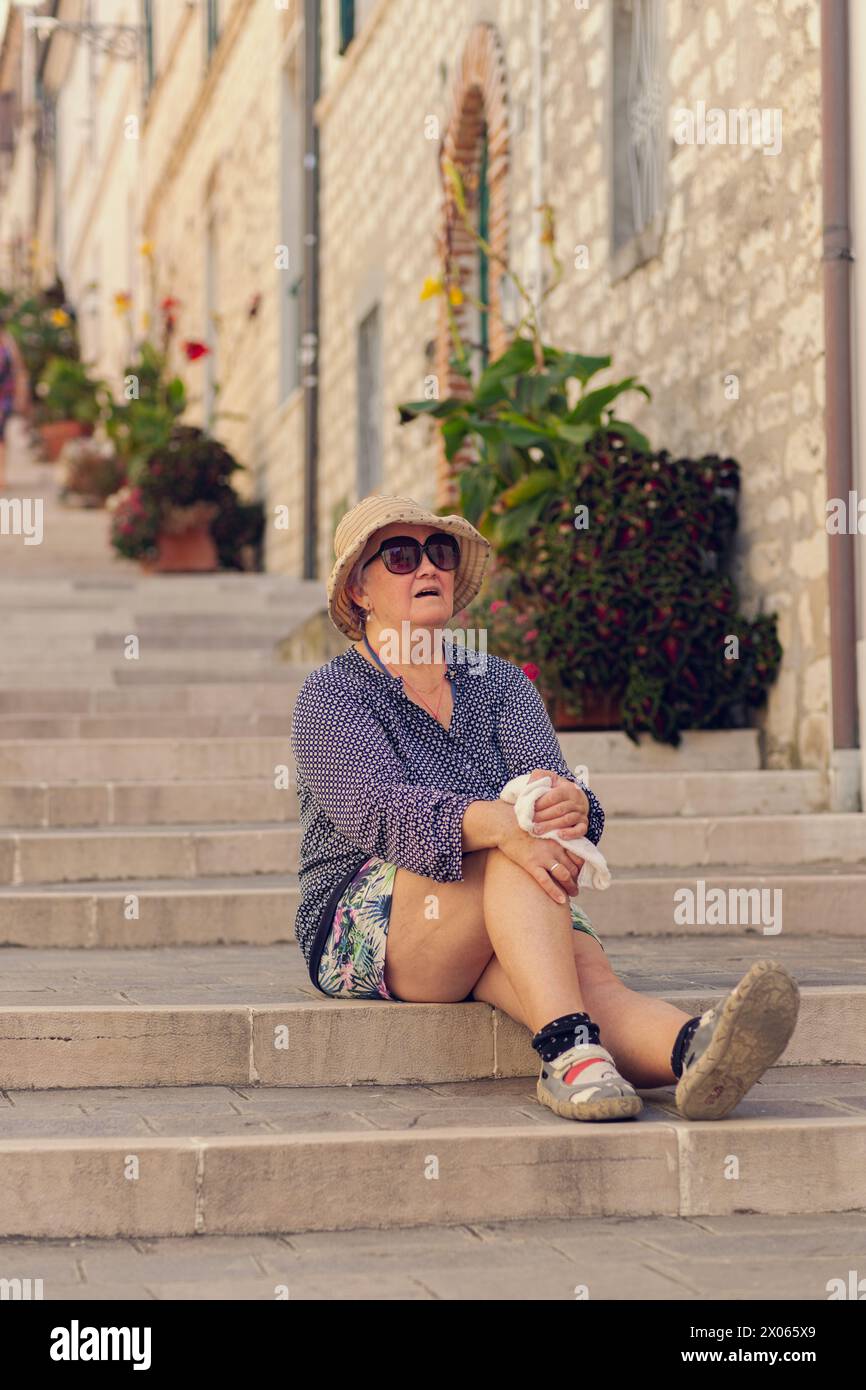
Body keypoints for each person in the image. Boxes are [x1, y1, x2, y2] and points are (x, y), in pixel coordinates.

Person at [291, 494, 800, 1123]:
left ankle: (692, 1049)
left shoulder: (501, 684)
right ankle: (568, 1054)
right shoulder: (332, 694)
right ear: (359, 591)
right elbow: (380, 813)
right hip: (372, 919)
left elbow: (554, 789)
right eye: (400, 555)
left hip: (506, 899)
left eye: (439, 552)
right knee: (514, 849)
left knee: (590, 986)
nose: (427, 568)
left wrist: (574, 807)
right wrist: (505, 824)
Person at [0, 311, 30, 489]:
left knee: (1, 436)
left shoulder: (8, 343)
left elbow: (19, 370)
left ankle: (1, 476)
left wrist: (21, 395)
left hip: (4, 396)